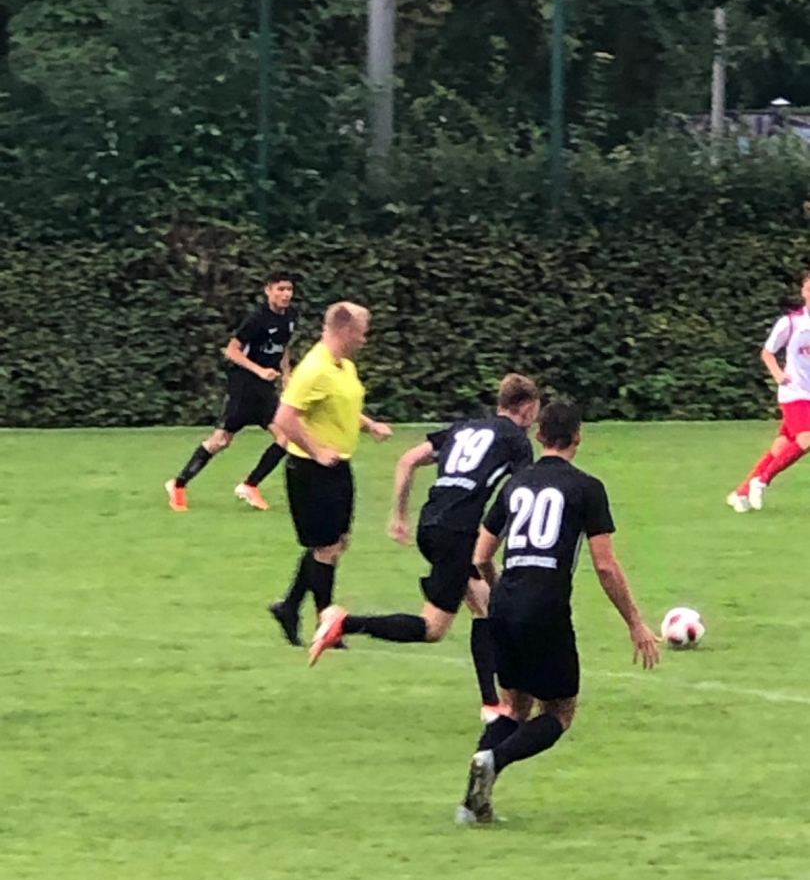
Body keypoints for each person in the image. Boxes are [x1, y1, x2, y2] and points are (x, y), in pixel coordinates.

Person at [458, 401, 660, 825]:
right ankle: (493, 759)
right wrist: (635, 622)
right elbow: (605, 566)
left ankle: (472, 805)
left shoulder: (515, 484)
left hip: (504, 604)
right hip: (546, 608)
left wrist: (500, 592)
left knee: (514, 709)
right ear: (578, 437)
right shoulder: (587, 488)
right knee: (559, 713)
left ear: (539, 435)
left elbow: (480, 555)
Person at [308, 375, 541, 710]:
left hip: (431, 525)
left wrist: (399, 515)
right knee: (433, 628)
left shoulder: (464, 428)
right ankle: (344, 622)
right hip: (456, 534)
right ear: (528, 408)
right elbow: (521, 494)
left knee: (484, 604)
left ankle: (492, 705)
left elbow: (408, 459)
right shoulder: (516, 440)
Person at [267, 301, 392, 647]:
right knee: (326, 548)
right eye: (363, 332)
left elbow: (342, 405)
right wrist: (316, 451)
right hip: (310, 470)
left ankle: (289, 607)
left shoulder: (343, 366)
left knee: (337, 543)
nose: (365, 339)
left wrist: (369, 425)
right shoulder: (314, 368)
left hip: (338, 466)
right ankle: (328, 626)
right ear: (346, 330)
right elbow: (284, 417)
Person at [165, 272, 297, 512]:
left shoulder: (290, 316)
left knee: (286, 437)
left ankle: (250, 485)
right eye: (280, 289)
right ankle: (178, 484)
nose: (286, 294)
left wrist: (286, 374)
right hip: (244, 386)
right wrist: (259, 370)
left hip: (265, 388)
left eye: (289, 289)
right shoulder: (257, 319)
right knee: (221, 441)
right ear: (268, 291)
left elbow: (283, 346)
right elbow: (232, 351)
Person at [728, 273, 810, 512]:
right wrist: (778, 374)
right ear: (804, 293)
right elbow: (767, 352)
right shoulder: (791, 323)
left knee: (782, 446)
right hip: (795, 392)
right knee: (806, 439)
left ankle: (741, 493)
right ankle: (762, 481)